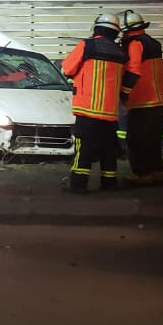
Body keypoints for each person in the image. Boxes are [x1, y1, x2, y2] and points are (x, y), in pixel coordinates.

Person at [61, 13, 127, 194]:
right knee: (109, 150)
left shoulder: (87, 45)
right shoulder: (120, 52)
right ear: (115, 32)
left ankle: (78, 185)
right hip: (110, 113)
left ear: (96, 28)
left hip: (87, 110)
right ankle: (109, 183)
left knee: (84, 149)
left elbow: (67, 68)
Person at [118, 9, 163, 185]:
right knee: (153, 140)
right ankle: (157, 170)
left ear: (126, 29)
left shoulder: (134, 44)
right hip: (160, 100)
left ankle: (141, 174)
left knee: (136, 140)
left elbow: (133, 71)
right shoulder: (153, 44)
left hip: (143, 102)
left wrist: (124, 93)